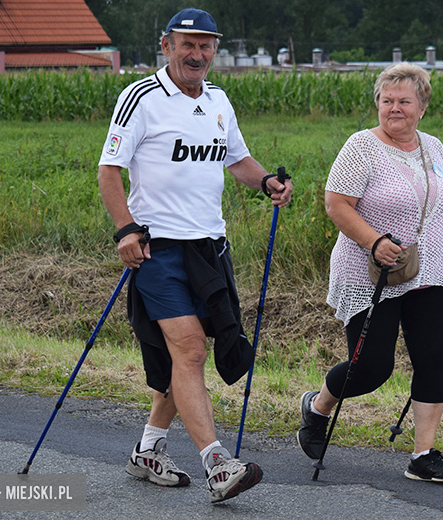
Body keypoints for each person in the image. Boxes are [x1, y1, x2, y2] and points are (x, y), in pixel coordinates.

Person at [98, 8, 292, 503]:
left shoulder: (219, 100)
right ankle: (217, 464)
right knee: (188, 350)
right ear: (167, 47)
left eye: (206, 46)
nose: (197, 54)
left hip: (209, 248)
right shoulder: (141, 97)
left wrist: (267, 181)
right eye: (188, 44)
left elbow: (238, 161)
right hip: (157, 249)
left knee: (182, 355)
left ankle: (148, 448)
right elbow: (110, 170)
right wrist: (125, 230)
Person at [297, 62, 443, 483]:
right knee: (370, 369)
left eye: (405, 101)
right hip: (371, 272)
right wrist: (374, 241)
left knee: (433, 359)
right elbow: (336, 204)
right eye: (387, 101)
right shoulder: (361, 147)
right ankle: (317, 407)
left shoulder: (433, 147)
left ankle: (423, 454)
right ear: (378, 105)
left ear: (422, 106)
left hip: (431, 270)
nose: (395, 108)